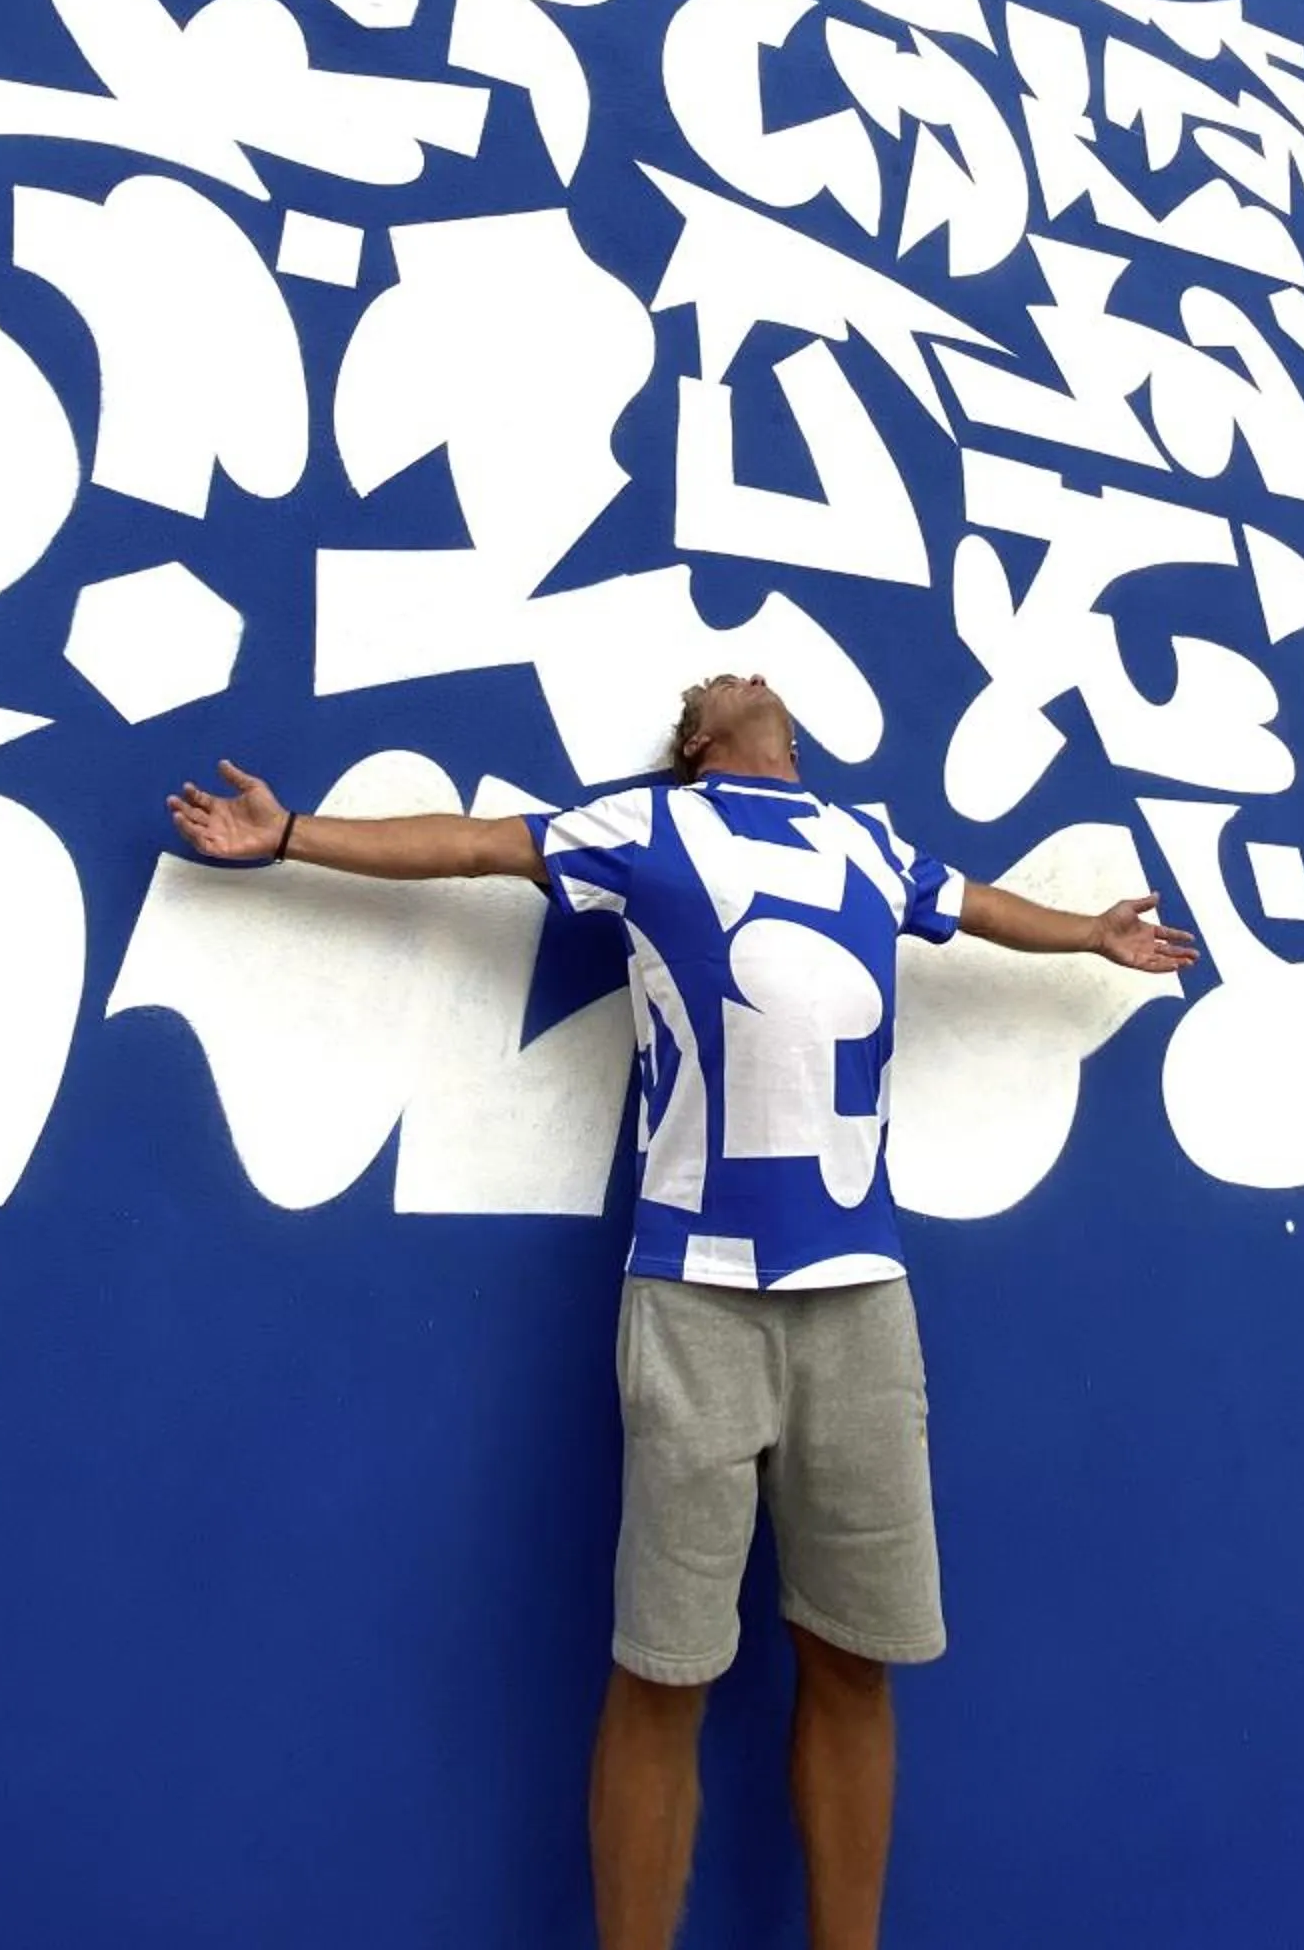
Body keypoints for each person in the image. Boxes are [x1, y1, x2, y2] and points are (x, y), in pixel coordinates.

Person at [167, 671, 1194, 1950]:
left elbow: (981, 910)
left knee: (857, 1660)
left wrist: (1092, 935)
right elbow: (479, 847)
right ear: (701, 743)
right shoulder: (645, 825)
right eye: (723, 685)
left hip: (863, 1303)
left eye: (762, 680)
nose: (750, 672)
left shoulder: (869, 842)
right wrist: (293, 832)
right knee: (663, 1674)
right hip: (693, 1300)